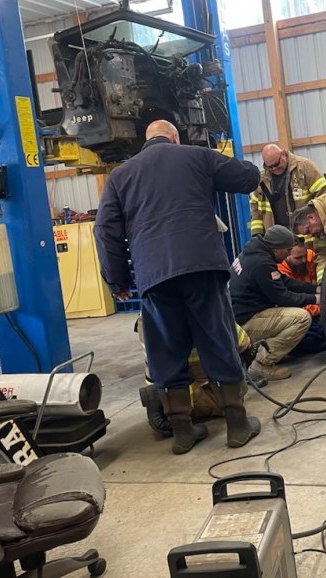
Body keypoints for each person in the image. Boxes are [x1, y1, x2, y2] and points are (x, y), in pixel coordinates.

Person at [94, 120, 261, 455]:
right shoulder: (197, 156)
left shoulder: (120, 176)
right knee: (217, 338)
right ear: (175, 137)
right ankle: (237, 425)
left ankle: (183, 433)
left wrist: (118, 281)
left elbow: (104, 230)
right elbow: (248, 178)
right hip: (202, 265)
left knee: (165, 349)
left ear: (146, 141)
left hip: (154, 274)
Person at [136, 316, 255, 437]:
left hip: (168, 394)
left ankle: (180, 430)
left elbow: (153, 363)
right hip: (201, 391)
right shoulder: (202, 302)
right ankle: (238, 427)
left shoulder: (145, 315)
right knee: (233, 388)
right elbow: (243, 344)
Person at [230, 226, 319, 380]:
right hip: (244, 325)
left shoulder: (255, 251)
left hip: (238, 320)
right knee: (302, 318)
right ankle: (261, 364)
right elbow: (283, 297)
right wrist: (315, 299)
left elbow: (283, 281)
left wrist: (314, 289)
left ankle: (257, 353)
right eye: (288, 250)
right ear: (277, 249)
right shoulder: (261, 263)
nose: (289, 254)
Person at [249, 144, 326, 235]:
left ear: (283, 154)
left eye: (276, 164)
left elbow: (324, 196)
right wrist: (257, 235)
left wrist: (318, 229)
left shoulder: (305, 167)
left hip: (308, 234)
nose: (274, 168)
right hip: (278, 239)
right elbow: (256, 211)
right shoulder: (263, 181)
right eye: (270, 167)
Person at [277, 238, 326, 356]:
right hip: (301, 313)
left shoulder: (311, 257)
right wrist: (321, 306)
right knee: (311, 339)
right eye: (298, 258)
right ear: (286, 256)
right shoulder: (280, 271)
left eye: (304, 255)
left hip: (316, 306)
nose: (304, 260)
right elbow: (292, 303)